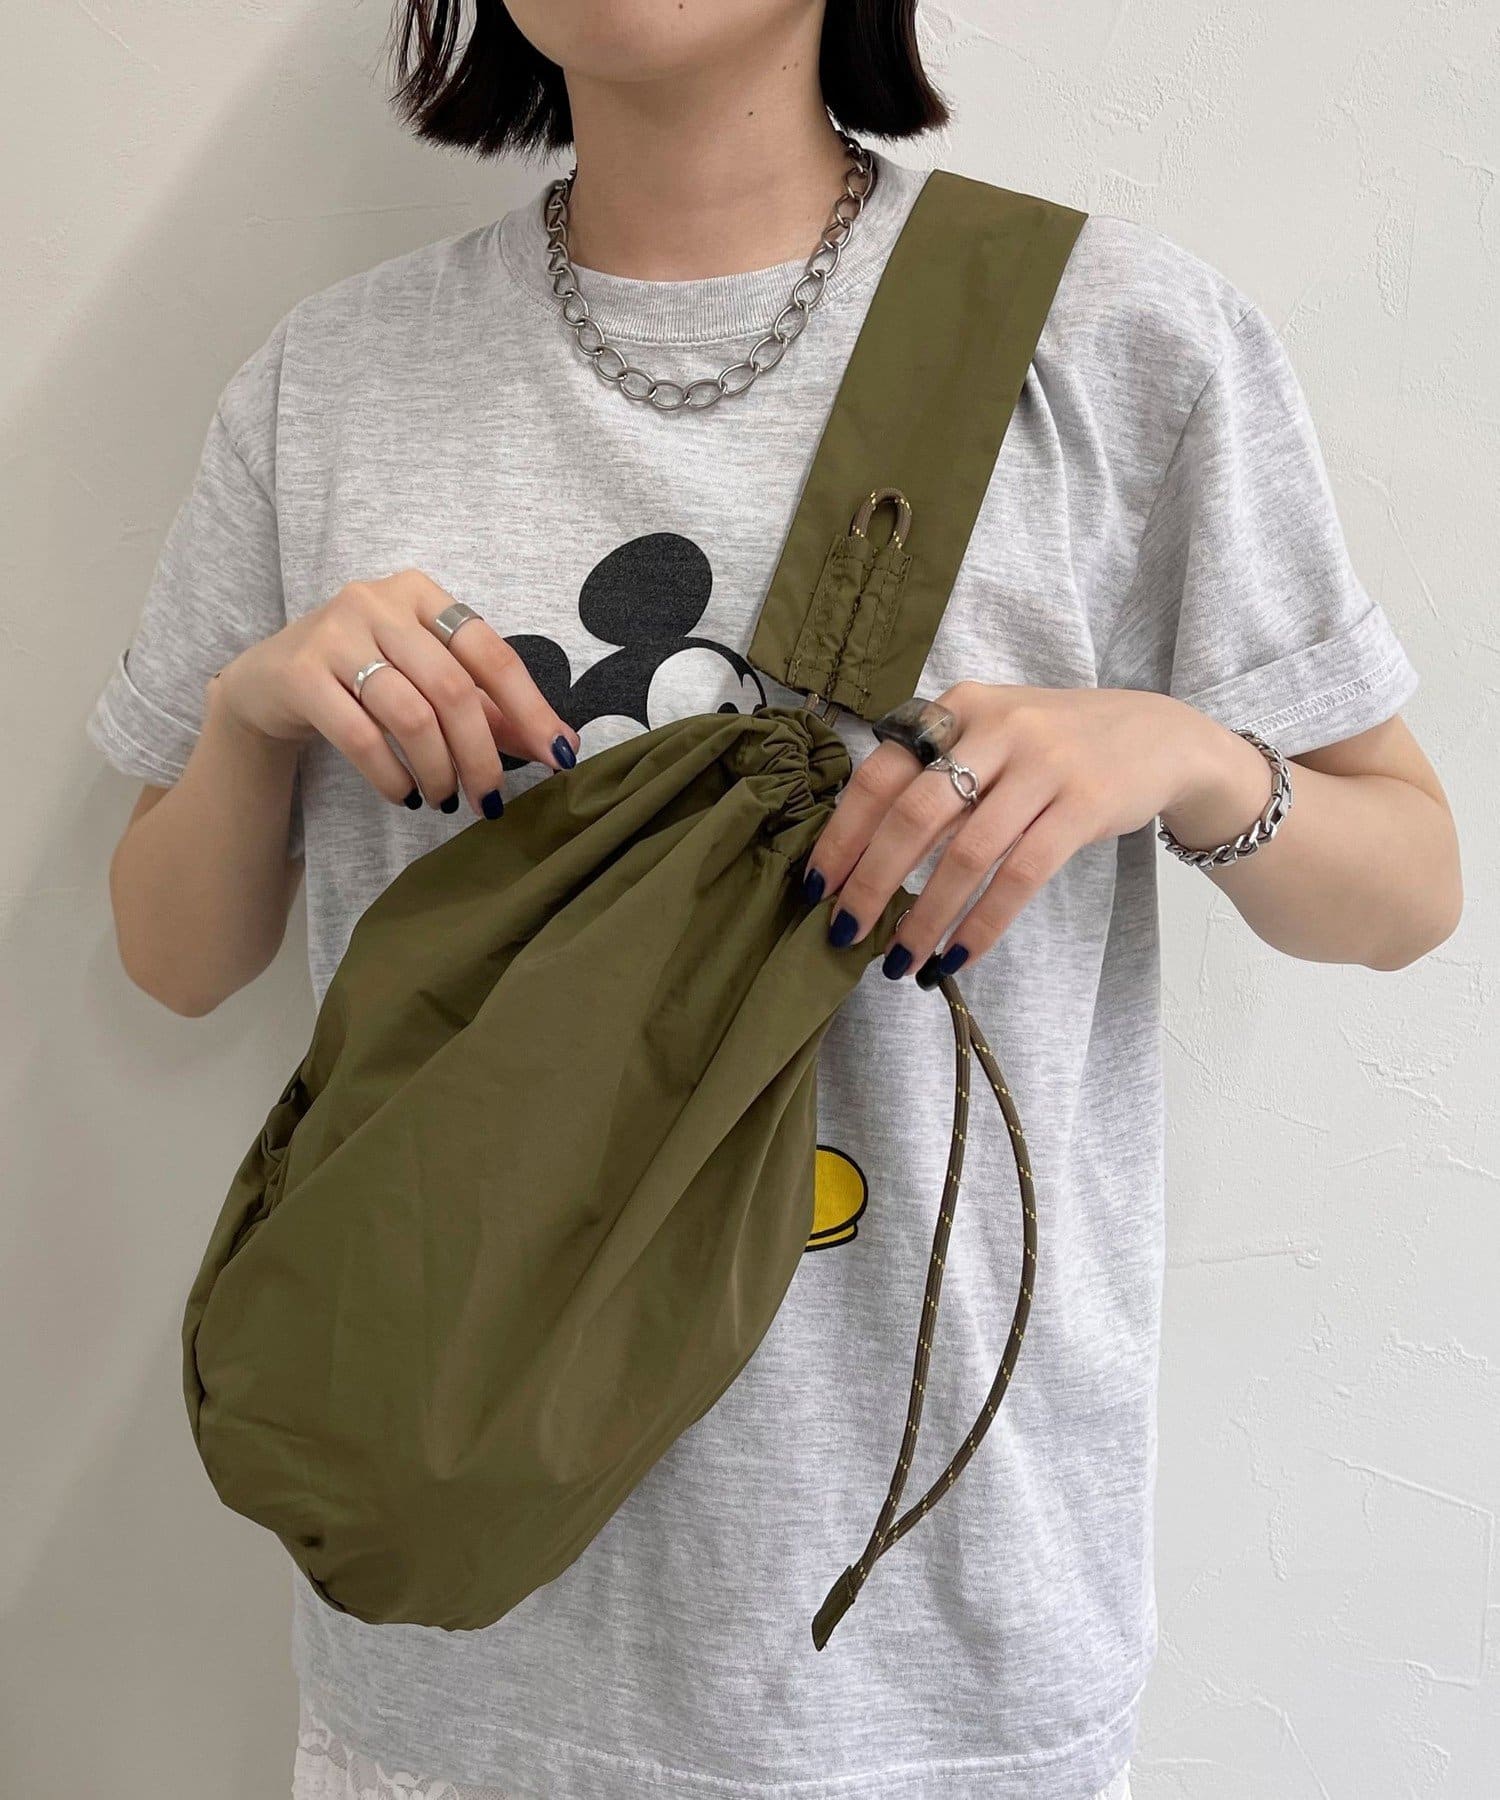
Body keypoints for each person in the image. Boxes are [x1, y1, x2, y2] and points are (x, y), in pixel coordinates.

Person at [85, 2, 1462, 1796]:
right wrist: (253, 713)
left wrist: (1190, 760)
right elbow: (175, 955)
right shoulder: (333, 380)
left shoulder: (1114, 338)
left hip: (933, 1653)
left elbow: (1405, 885)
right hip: (456, 1639)